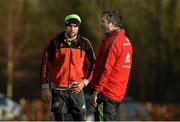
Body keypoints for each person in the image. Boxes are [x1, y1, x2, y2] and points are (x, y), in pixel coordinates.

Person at [40, 13, 96, 121]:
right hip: (58, 91)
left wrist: (84, 82)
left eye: (75, 26)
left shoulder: (84, 43)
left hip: (77, 90)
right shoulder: (54, 43)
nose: (72, 29)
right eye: (70, 26)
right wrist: (45, 87)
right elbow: (45, 65)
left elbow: (94, 65)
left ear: (78, 27)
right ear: (66, 26)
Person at [90, 10, 133, 121]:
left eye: (103, 21)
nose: (101, 24)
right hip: (117, 93)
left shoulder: (113, 42)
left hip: (106, 93)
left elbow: (105, 69)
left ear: (112, 24)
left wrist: (96, 91)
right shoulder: (126, 40)